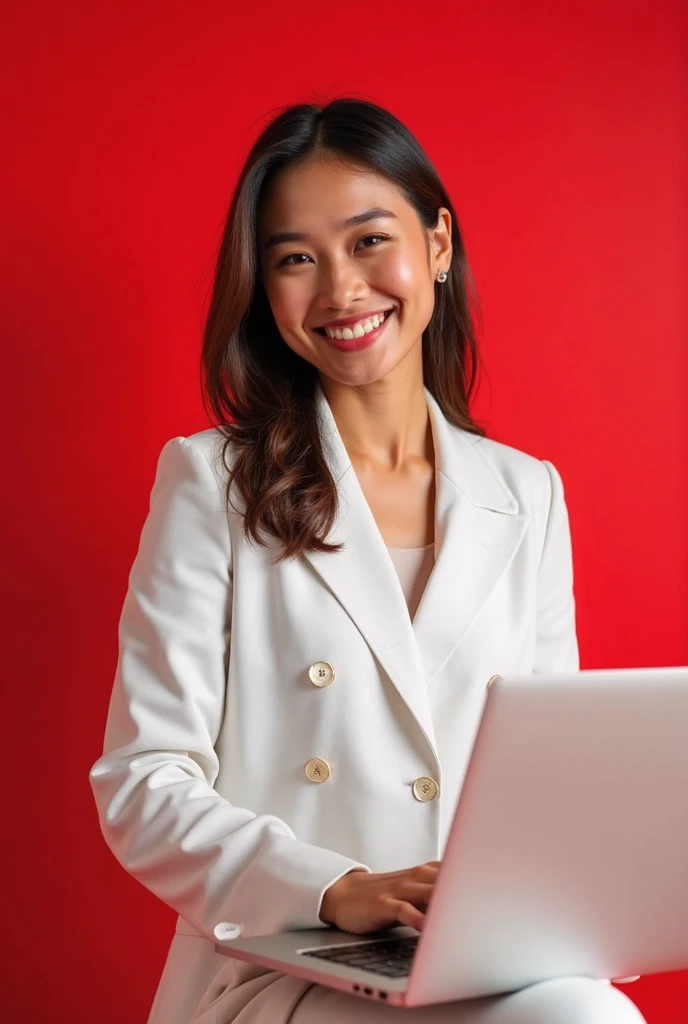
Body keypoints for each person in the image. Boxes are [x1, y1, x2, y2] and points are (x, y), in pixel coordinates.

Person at [89, 98, 646, 1024]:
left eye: (368, 240)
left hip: (474, 952)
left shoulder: (527, 494)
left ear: (436, 244)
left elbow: (549, 780)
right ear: (265, 289)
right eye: (295, 258)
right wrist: (336, 886)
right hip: (285, 957)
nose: (341, 289)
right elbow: (144, 782)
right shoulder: (212, 482)